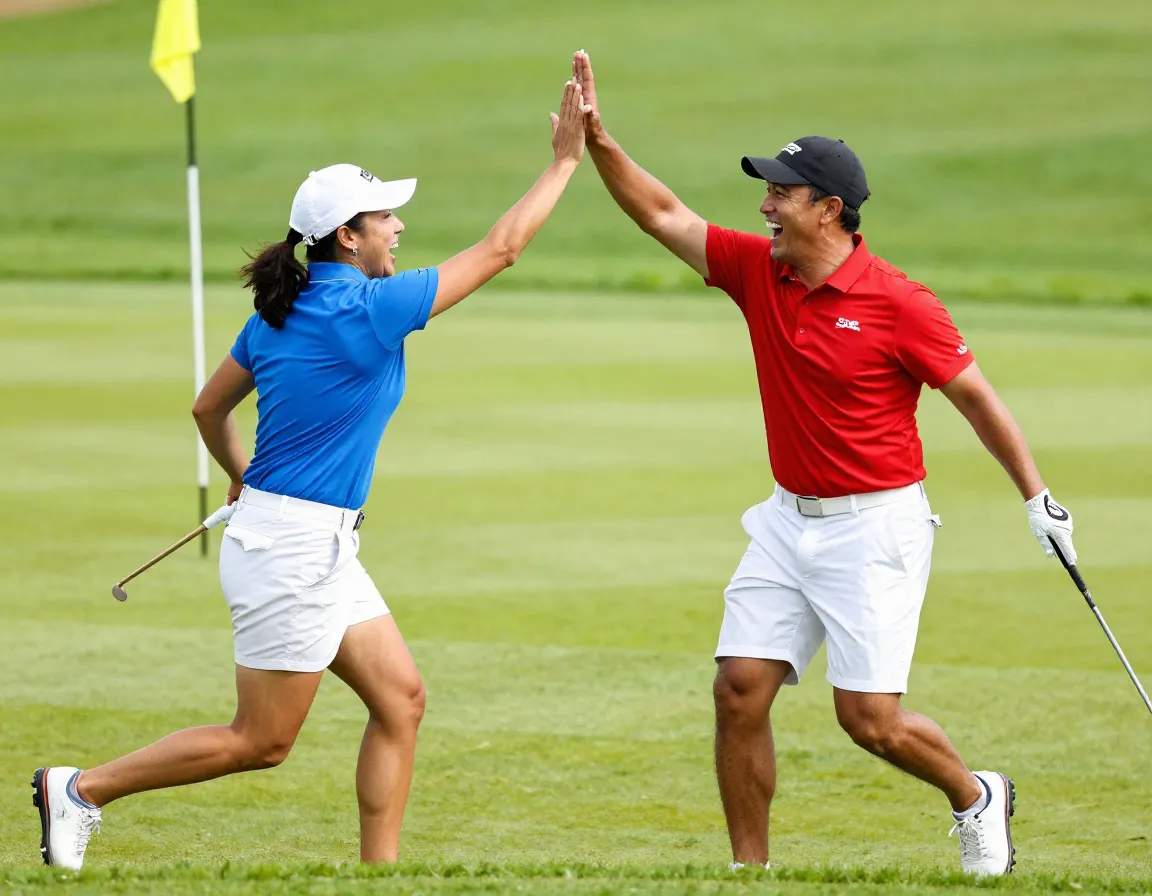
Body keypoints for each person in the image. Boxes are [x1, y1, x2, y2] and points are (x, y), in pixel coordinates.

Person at [32, 77, 593, 871]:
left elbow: (207, 410)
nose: (398, 227)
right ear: (345, 236)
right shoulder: (369, 308)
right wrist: (564, 162)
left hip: (306, 541)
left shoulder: (278, 312)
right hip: (290, 552)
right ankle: (81, 789)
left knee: (401, 699)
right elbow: (502, 248)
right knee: (260, 741)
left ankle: (379, 878)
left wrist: (243, 476)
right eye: (384, 218)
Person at [571, 50, 1077, 876]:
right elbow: (663, 214)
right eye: (766, 190)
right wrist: (598, 142)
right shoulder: (758, 271)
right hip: (785, 519)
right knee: (738, 689)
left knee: (870, 720)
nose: (765, 205)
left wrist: (1037, 498)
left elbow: (978, 400)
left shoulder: (900, 302)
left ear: (829, 209)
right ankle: (750, 875)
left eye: (781, 193)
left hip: (875, 526)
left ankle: (975, 792)